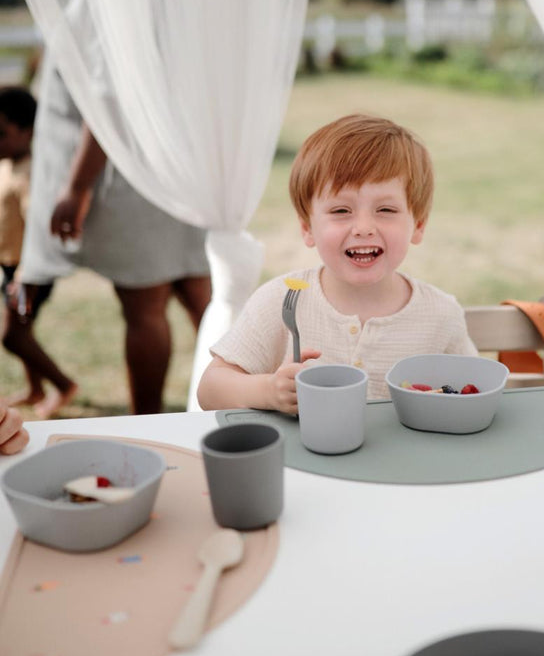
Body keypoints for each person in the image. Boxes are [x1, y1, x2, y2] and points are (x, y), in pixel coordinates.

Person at [198, 114, 477, 414]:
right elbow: (210, 389)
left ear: (418, 225)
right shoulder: (282, 301)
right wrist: (269, 391)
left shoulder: (441, 315)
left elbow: (475, 392)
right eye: (341, 210)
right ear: (307, 228)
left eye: (385, 209)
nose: (363, 228)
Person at [20, 60, 212, 415]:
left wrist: (77, 186)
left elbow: (111, 97)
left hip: (132, 175)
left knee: (148, 308)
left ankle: (148, 422)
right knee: (198, 297)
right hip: (174, 162)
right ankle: (238, 400)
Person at [0, 86, 78, 418]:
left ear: (28, 132)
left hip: (29, 271)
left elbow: (38, 226)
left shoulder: (32, 173)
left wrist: (24, 275)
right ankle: (36, 389)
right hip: (10, 266)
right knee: (24, 330)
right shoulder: (7, 164)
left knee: (13, 336)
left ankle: (64, 385)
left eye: (1, 133)